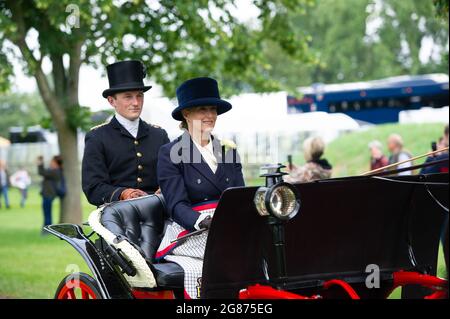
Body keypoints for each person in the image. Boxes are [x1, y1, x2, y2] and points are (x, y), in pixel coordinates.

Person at [156, 77, 245, 299]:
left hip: (229, 225)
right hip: (192, 230)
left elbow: (240, 196)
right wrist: (200, 221)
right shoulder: (170, 153)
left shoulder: (228, 151)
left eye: (213, 109)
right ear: (186, 114)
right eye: (202, 109)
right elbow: (176, 205)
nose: (210, 115)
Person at [82, 60, 169, 206]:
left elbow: (171, 176)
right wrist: (122, 193)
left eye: (139, 95)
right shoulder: (97, 137)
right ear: (111, 101)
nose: (136, 102)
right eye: (128, 96)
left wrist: (167, 188)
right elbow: (93, 188)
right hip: (117, 215)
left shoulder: (159, 135)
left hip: (159, 211)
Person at [37, 156, 62, 233]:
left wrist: (40, 163)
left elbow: (41, 172)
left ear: (56, 163)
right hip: (48, 195)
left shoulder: (55, 171)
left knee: (47, 214)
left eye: (52, 162)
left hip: (48, 195)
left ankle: (47, 230)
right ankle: (46, 229)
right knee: (47, 213)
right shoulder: (54, 171)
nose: (51, 163)